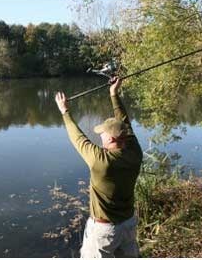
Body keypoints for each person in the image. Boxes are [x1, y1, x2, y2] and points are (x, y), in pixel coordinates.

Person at [55, 77, 143, 258]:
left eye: (102, 133)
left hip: (104, 230)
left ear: (110, 139)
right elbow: (125, 123)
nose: (100, 135)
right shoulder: (135, 153)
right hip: (128, 224)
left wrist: (65, 112)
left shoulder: (101, 162)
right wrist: (114, 94)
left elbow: (78, 138)